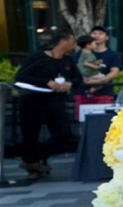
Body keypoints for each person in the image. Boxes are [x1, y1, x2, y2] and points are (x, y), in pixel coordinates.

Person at [14, 33, 81, 180]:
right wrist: (46, 82)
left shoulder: (68, 60)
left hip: (55, 103)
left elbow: (78, 78)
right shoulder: (37, 58)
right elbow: (21, 77)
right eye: (72, 42)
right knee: (30, 136)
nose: (74, 45)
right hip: (33, 103)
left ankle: (31, 159)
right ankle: (33, 166)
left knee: (63, 134)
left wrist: (70, 83)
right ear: (63, 41)